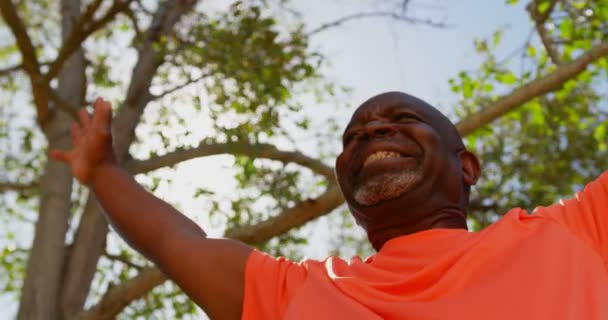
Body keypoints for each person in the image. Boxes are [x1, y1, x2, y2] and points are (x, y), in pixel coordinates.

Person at [51, 92, 608, 320]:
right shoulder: (296, 295)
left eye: (402, 119)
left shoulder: (581, 230)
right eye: (354, 136)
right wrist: (102, 172)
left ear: (467, 168)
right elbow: (179, 245)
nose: (373, 130)